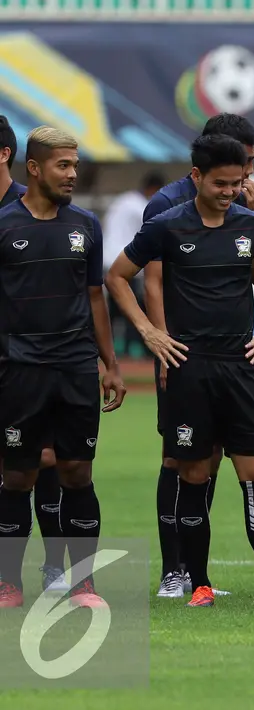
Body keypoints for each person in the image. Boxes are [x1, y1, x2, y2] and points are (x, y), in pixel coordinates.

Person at [107, 133, 254, 608]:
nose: (229, 191)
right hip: (190, 366)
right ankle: (198, 583)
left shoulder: (251, 225)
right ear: (197, 177)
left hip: (239, 367)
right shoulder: (165, 226)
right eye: (220, 182)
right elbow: (117, 276)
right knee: (195, 473)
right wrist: (150, 333)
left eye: (237, 182)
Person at [0, 126, 126, 609]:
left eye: (75, 165)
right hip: (19, 370)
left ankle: (83, 583)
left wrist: (110, 364)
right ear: (34, 168)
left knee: (77, 472)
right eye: (63, 165)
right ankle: (9, 581)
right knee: (18, 476)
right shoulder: (5, 226)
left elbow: (95, 296)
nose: (73, 174)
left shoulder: (86, 226)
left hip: (75, 368)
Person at [145, 113, 254, 599]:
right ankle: (172, 570)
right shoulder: (168, 204)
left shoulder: (240, 204)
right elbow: (151, 277)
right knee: (178, 458)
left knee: (211, 459)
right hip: (182, 354)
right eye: (245, 162)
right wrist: (158, 342)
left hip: (225, 357)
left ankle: (197, 575)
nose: (249, 174)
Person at [0, 115, 64, 594]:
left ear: (5, 154)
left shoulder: (34, 207)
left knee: (41, 459)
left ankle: (54, 566)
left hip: (28, 363)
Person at [102, 170, 164, 358]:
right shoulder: (141, 206)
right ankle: (130, 351)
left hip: (107, 258)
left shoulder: (124, 199)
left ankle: (111, 350)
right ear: (153, 189)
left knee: (114, 310)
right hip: (123, 262)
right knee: (132, 307)